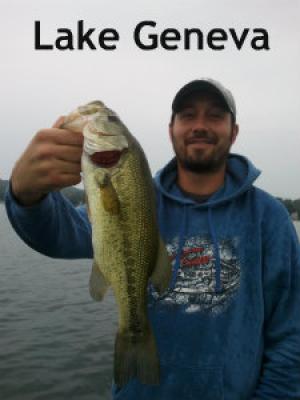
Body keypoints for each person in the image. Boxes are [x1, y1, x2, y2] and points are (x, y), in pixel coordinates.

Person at [5, 78, 300, 400]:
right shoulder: (139, 196)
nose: (200, 125)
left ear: (234, 131)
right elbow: (57, 235)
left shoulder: (269, 217)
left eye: (215, 115)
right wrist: (24, 192)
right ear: (171, 128)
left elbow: (291, 331)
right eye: (187, 115)